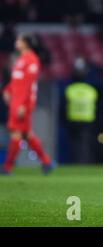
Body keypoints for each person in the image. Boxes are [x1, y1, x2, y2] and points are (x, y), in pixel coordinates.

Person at [1, 34, 55, 175]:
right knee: (26, 134)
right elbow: (17, 81)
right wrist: (7, 90)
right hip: (16, 101)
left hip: (22, 103)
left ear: (26, 43)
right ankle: (47, 162)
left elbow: (28, 84)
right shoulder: (21, 60)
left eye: (19, 40)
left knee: (15, 133)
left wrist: (23, 104)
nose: (16, 42)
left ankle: (7, 167)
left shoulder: (32, 60)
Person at [65, 58, 99, 163]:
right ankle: (85, 162)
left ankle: (76, 162)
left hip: (73, 120)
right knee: (86, 144)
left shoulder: (70, 89)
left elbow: (65, 105)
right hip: (87, 121)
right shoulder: (91, 90)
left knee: (74, 144)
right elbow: (96, 107)